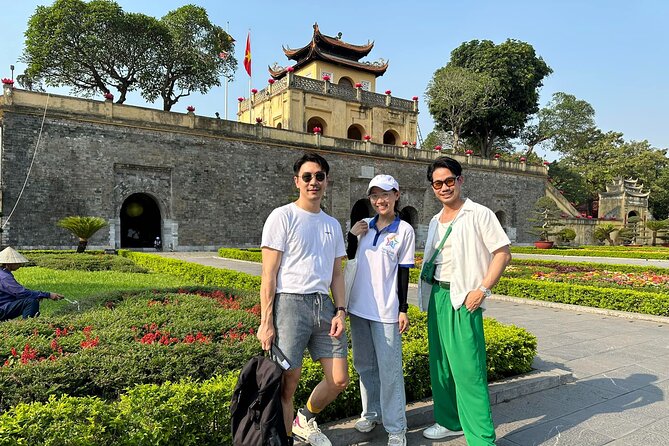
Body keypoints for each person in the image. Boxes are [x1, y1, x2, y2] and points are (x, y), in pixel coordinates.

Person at [417, 156, 511, 445]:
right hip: (438, 296)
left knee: (469, 370)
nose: (444, 187)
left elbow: (503, 252)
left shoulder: (478, 213)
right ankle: (450, 421)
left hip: (464, 298)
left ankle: (482, 438)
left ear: (460, 180)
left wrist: (482, 289)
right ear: (432, 187)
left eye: (449, 181)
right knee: (441, 365)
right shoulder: (435, 220)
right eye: (437, 183)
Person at [257, 152, 348, 446]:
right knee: (288, 385)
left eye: (319, 176)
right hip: (290, 305)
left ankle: (304, 418)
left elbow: (336, 275)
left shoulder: (332, 224)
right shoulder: (282, 216)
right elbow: (269, 275)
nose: (313, 182)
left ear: (326, 181)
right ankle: (285, 440)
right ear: (297, 181)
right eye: (307, 177)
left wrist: (341, 311)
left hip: (325, 307)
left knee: (338, 380)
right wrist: (266, 322)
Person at [347, 174, 415, 446]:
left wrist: (403, 308)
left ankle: (397, 427)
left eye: (385, 194)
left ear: (396, 195)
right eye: (375, 195)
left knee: (389, 370)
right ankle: (371, 412)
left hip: (386, 311)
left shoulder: (403, 231)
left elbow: (404, 273)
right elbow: (349, 259)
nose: (380, 200)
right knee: (364, 366)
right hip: (358, 308)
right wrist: (352, 236)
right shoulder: (364, 227)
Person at [0, 246, 64, 322]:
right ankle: (28, 327)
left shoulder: (3, 272)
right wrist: (48, 295)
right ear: (9, 264)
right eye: (18, 263)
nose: (20, 265)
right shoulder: (5, 276)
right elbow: (21, 293)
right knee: (31, 302)